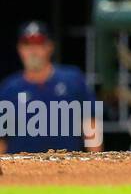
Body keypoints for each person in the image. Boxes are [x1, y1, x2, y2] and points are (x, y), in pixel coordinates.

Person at [0, 21, 100, 154]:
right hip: (22, 170)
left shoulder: (73, 79)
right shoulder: (9, 88)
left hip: (68, 167)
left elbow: (90, 123)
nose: (33, 50)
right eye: (27, 44)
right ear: (19, 49)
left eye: (39, 43)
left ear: (50, 46)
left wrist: (96, 160)